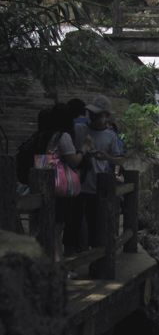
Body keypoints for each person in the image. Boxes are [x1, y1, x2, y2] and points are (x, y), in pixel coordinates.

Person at [74, 96, 124, 248]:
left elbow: (120, 160)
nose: (93, 117)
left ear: (106, 117)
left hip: (97, 187)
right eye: (91, 114)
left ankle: (95, 258)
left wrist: (106, 157)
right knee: (75, 224)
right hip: (76, 185)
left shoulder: (111, 136)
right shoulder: (79, 129)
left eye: (98, 115)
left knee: (95, 224)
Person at [42, 104, 90, 261]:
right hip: (59, 187)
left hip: (45, 184)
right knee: (57, 229)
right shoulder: (63, 136)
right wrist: (84, 149)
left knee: (50, 227)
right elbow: (74, 161)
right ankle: (58, 265)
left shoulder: (45, 135)